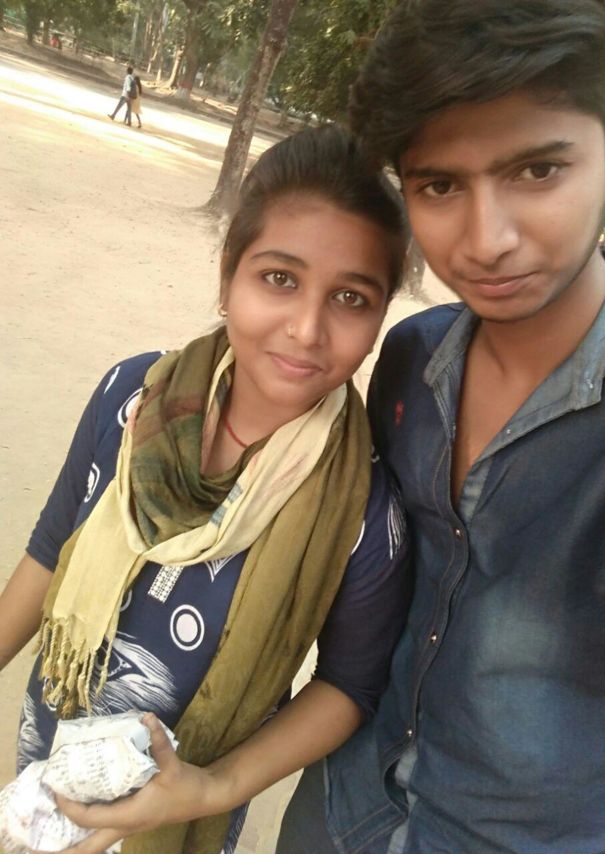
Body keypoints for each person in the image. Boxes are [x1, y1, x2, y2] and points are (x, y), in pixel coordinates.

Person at [275, 1, 605, 851]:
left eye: (538, 171)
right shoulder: (412, 358)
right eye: (440, 186)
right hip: (341, 814)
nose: (487, 240)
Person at [0, 125, 412, 853]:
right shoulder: (131, 398)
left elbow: (349, 687)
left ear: (380, 319)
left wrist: (213, 787)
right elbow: (50, 548)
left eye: (350, 298)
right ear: (228, 279)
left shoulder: (362, 514)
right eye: (279, 279)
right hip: (52, 763)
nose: (307, 328)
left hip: (183, 808)